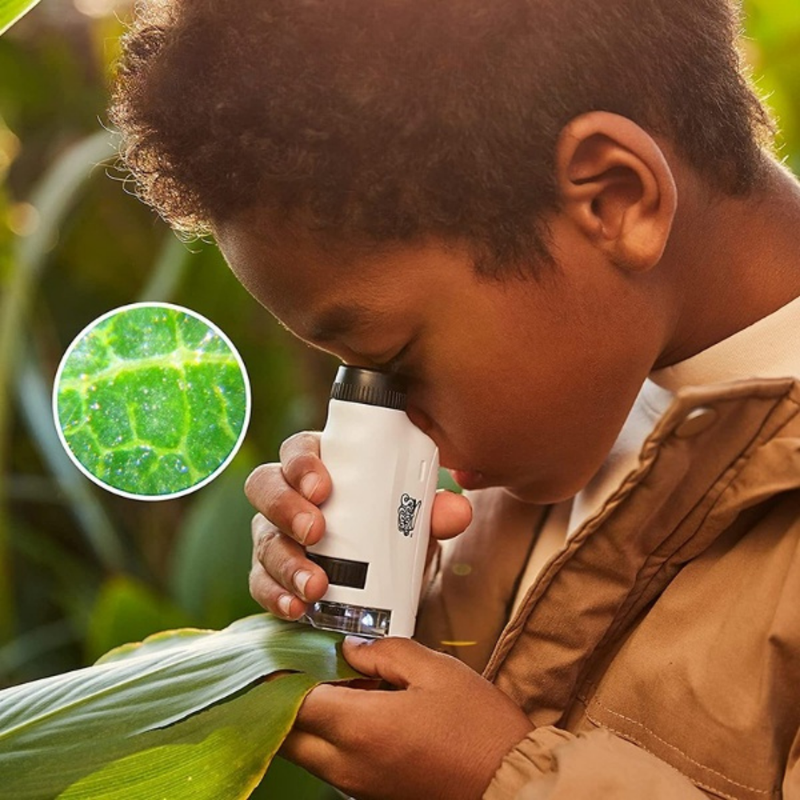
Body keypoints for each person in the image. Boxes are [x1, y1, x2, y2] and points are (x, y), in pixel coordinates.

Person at [109, 0, 800, 797]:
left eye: (395, 361)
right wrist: (398, 608)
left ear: (615, 198)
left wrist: (496, 781)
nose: (391, 421)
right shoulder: (579, 406)